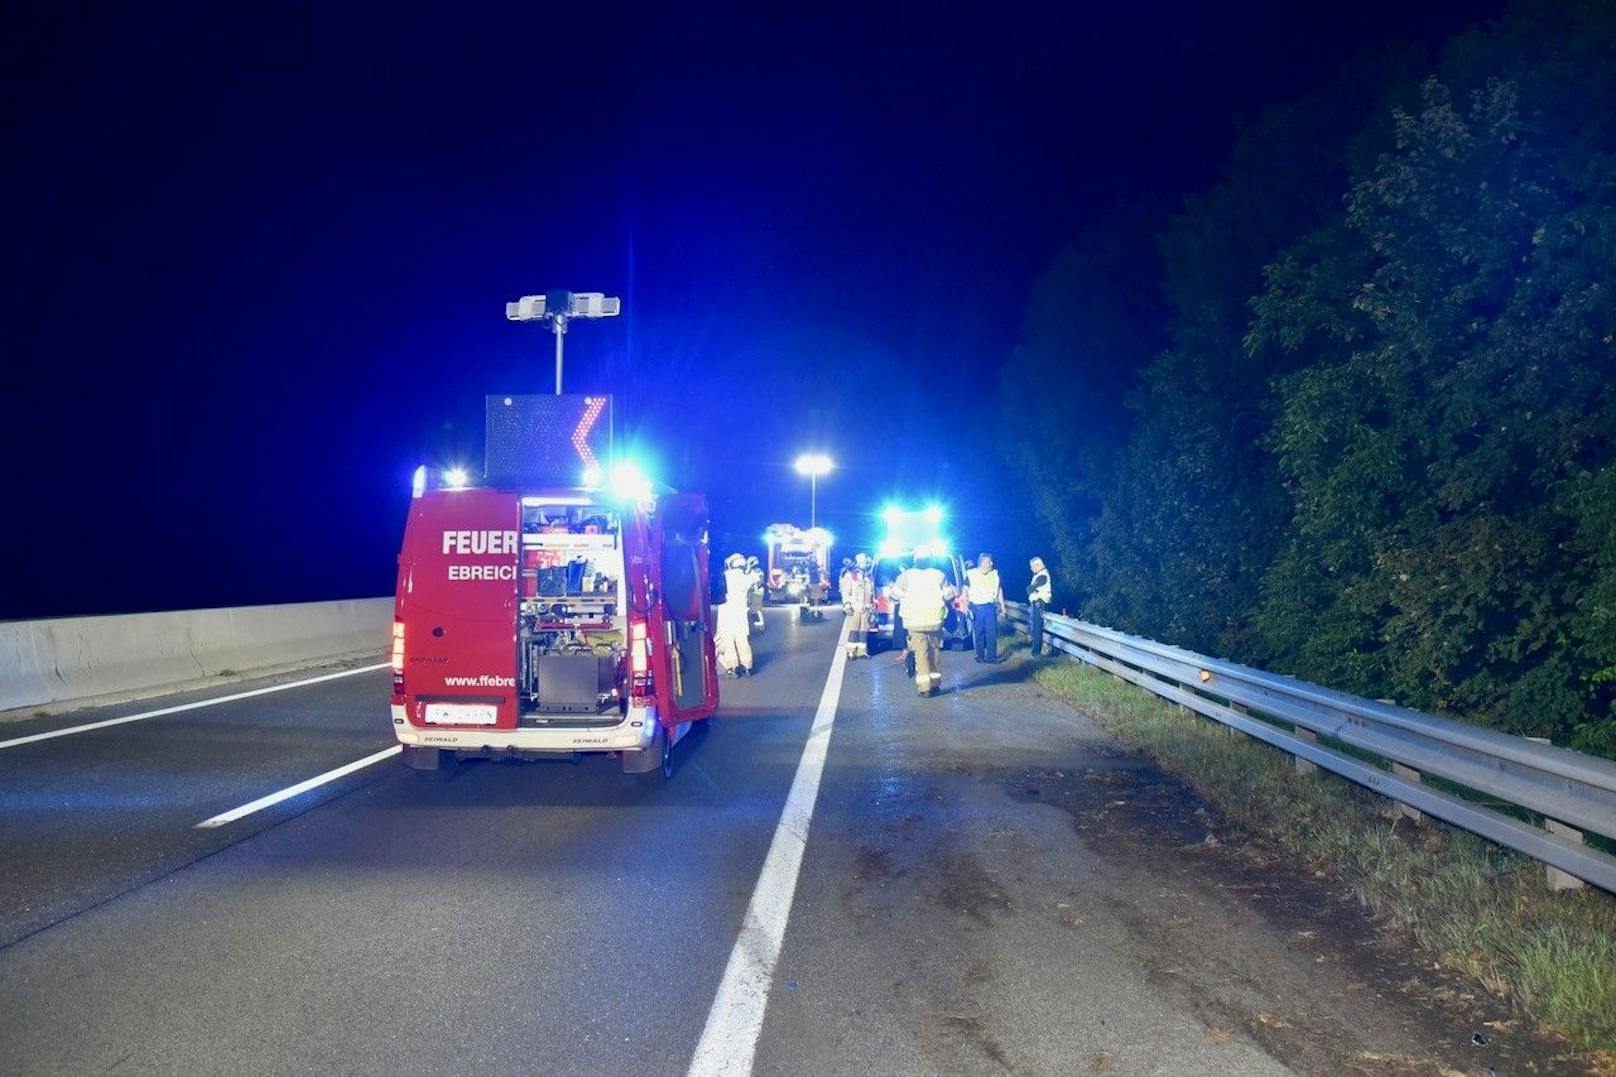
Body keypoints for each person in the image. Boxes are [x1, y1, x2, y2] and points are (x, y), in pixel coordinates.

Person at [889, 552, 955, 696]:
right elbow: (950, 595)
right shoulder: (939, 575)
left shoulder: (905, 576)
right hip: (935, 620)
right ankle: (935, 684)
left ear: (915, 560)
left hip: (914, 621)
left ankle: (925, 688)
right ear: (929, 560)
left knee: (921, 653)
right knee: (935, 651)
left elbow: (893, 596)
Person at [964, 552, 1007, 663]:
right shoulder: (971, 574)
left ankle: (991, 657)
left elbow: (999, 590)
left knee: (991, 632)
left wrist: (1003, 606)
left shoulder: (995, 574)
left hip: (990, 607)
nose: (991, 563)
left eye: (991, 562)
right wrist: (965, 607)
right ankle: (980, 655)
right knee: (979, 632)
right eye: (989, 562)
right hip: (976, 608)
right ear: (982, 563)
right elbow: (965, 591)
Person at [717, 553, 755, 676]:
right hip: (740, 613)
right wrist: (749, 568)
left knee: (728, 641)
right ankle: (747, 666)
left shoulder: (726, 576)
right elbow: (755, 579)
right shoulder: (745, 577)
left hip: (726, 612)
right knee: (742, 640)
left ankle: (733, 667)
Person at [842, 554, 875, 659]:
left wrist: (873, 610)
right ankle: (851, 652)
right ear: (860, 563)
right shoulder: (851, 575)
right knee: (853, 630)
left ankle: (862, 651)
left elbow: (872, 594)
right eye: (865, 562)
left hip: (866, 609)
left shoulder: (869, 577)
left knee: (863, 631)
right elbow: (845, 592)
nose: (867, 564)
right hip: (854, 608)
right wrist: (847, 605)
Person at [1028, 556, 1053, 657]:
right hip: (1037, 604)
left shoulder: (1042, 576)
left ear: (1037, 565)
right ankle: (1035, 652)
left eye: (1032, 566)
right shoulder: (1040, 575)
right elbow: (1030, 589)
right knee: (1035, 629)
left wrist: (1034, 590)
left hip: (1039, 604)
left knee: (1037, 629)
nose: (1031, 568)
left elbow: (1030, 589)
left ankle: (1036, 653)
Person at [746, 555, 765, 633]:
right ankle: (757, 626)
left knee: (756, 609)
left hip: (757, 592)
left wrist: (754, 587)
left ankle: (760, 627)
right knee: (752, 610)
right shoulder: (749, 570)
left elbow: (760, 581)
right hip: (752, 591)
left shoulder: (758, 571)